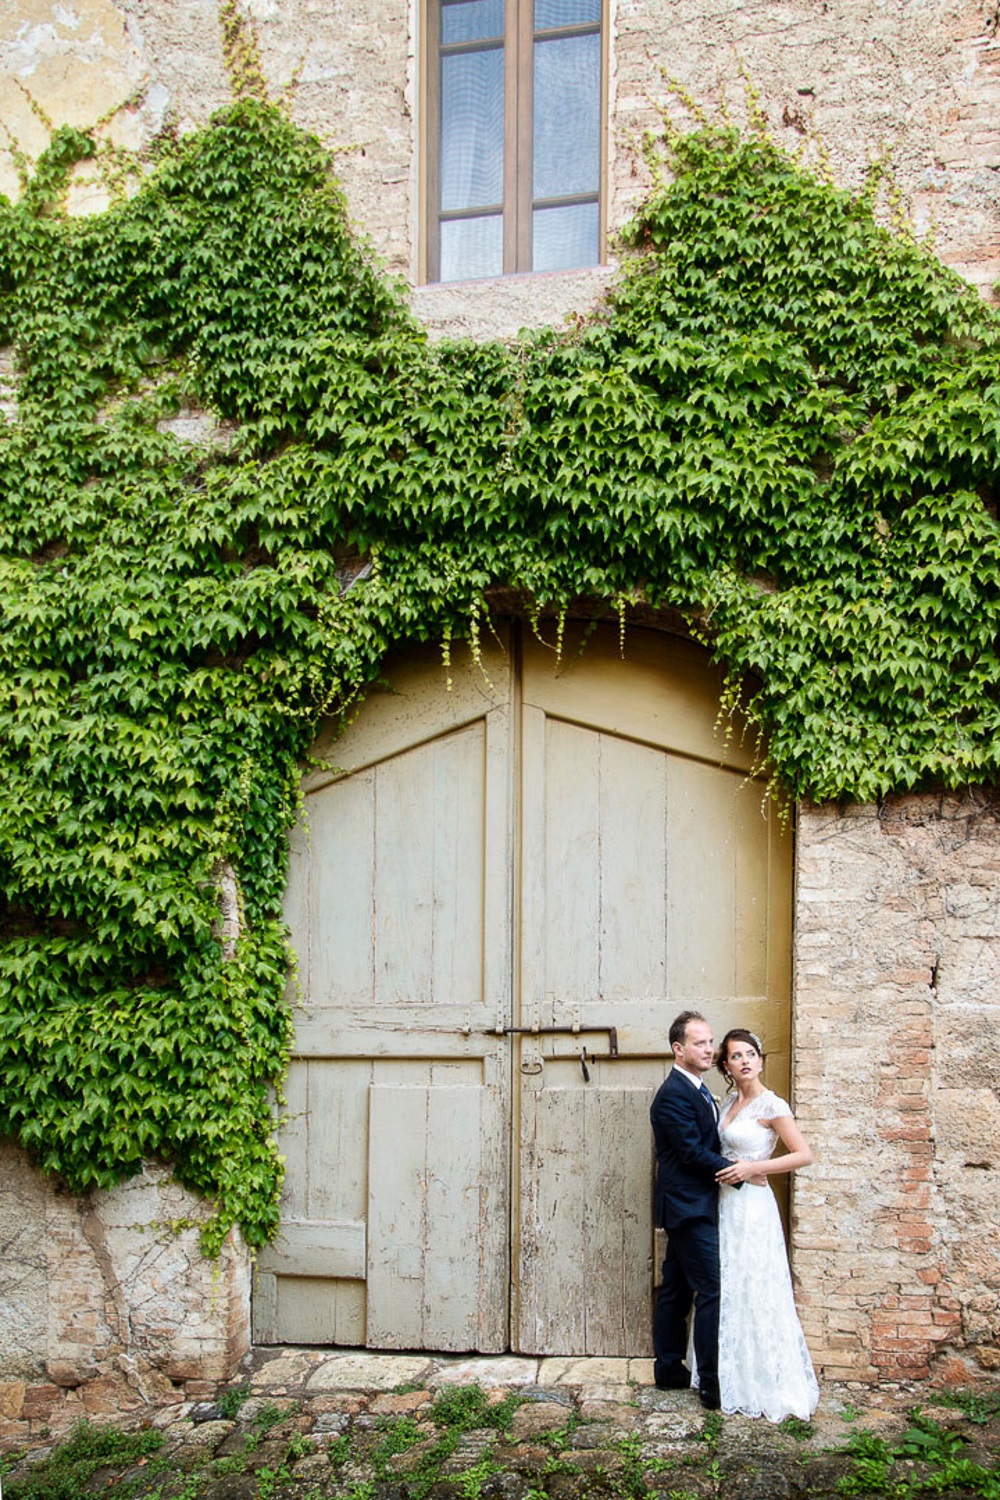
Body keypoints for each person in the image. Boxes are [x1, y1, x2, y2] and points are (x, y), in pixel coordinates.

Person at [711, 1028, 820, 1422]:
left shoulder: (771, 1105)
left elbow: (803, 1155)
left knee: (755, 1282)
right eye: (736, 1056)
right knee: (729, 1281)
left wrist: (756, 1167)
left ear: (759, 1060)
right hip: (725, 1204)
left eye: (750, 1054)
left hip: (754, 1206)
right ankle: (729, 1374)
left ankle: (765, 1380)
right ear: (725, 1065)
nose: (744, 1061)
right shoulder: (727, 1103)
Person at [650, 1009, 743, 1409]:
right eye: (699, 1043)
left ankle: (670, 1369)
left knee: (675, 1290)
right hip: (689, 1208)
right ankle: (711, 1383)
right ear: (678, 1048)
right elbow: (690, 1152)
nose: (710, 1049)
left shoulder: (700, 1089)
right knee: (711, 1290)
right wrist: (740, 1172)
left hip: (694, 1204)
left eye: (710, 1041)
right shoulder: (673, 1094)